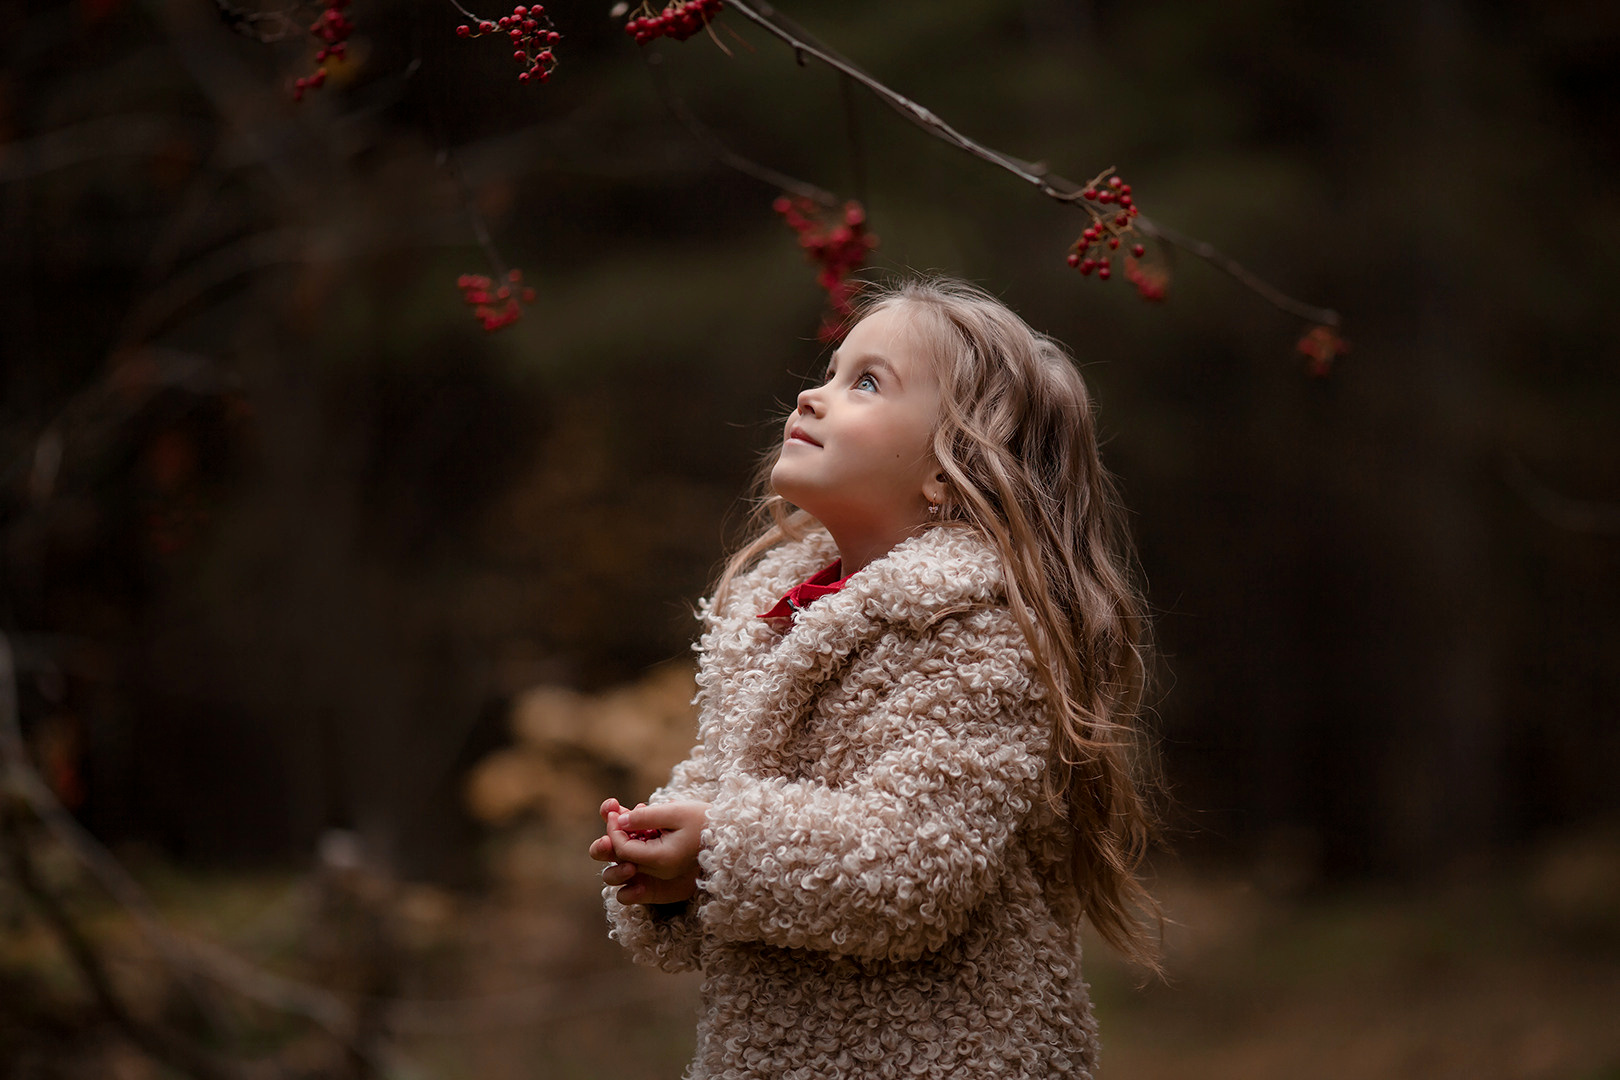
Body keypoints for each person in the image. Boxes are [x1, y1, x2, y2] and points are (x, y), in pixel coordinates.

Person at [588, 277, 1161, 1079]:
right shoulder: (778, 620)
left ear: (948, 467)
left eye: (865, 383)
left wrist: (719, 844)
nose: (811, 395)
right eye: (828, 371)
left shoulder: (981, 631)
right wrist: (669, 875)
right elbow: (729, 799)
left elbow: (916, 866)